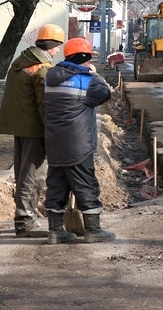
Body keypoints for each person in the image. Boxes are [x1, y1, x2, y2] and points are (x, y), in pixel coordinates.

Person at [43, 37, 115, 244]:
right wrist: (94, 73)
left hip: (55, 143)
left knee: (56, 186)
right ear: (84, 58)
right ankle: (93, 230)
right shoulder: (87, 81)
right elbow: (105, 94)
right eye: (88, 58)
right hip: (78, 144)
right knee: (86, 185)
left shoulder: (51, 78)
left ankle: (55, 231)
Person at [0, 23, 64, 238]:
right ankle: (25, 221)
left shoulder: (22, 60)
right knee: (34, 175)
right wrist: (53, 130)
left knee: (23, 172)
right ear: (51, 44)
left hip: (21, 126)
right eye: (58, 46)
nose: (58, 50)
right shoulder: (41, 67)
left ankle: (23, 218)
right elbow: (45, 102)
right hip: (35, 129)